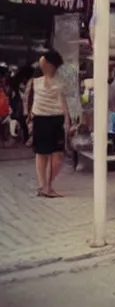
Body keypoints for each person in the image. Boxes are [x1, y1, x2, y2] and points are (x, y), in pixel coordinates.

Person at [29, 50, 69, 198]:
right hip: (40, 118)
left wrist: (67, 120)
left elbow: (64, 102)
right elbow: (31, 98)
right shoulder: (36, 78)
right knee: (42, 153)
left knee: (57, 156)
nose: (43, 64)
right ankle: (44, 186)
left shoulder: (61, 81)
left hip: (56, 118)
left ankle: (47, 185)